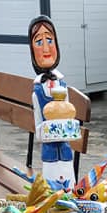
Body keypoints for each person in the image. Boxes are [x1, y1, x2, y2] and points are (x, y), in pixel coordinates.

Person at [28, 15, 76, 190]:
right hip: (49, 152)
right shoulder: (37, 91)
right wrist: (49, 131)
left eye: (50, 40)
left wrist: (68, 129)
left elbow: (70, 117)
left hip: (65, 150)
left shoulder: (62, 85)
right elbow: (38, 127)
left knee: (69, 182)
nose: (46, 48)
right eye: (39, 42)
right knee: (51, 186)